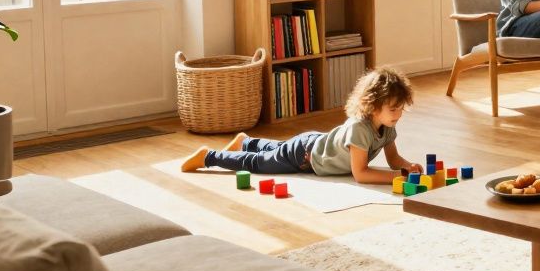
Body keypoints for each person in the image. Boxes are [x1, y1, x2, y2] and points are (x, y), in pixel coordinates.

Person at [181, 66, 425, 185]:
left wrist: (406, 167)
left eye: (401, 107)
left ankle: (246, 142)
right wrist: (397, 178)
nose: (399, 114)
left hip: (314, 144)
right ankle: (208, 157)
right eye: (394, 108)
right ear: (373, 106)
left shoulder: (388, 125)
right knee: (259, 164)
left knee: (277, 149)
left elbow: (394, 160)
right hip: (305, 155)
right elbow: (360, 174)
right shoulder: (360, 129)